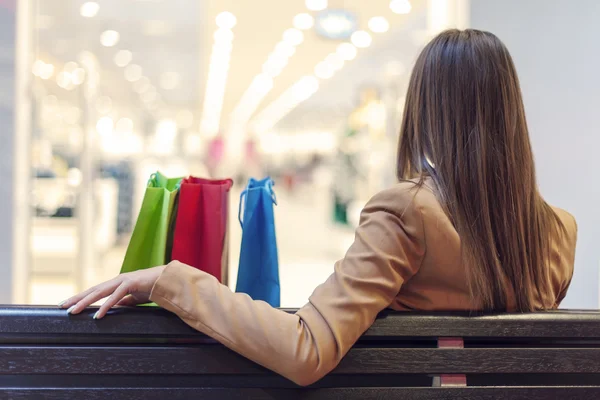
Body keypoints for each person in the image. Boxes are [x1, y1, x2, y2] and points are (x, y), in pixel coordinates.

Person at [60, 29, 577, 386]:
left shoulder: (408, 213)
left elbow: (305, 351)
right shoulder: (559, 232)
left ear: (426, 111)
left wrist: (173, 282)